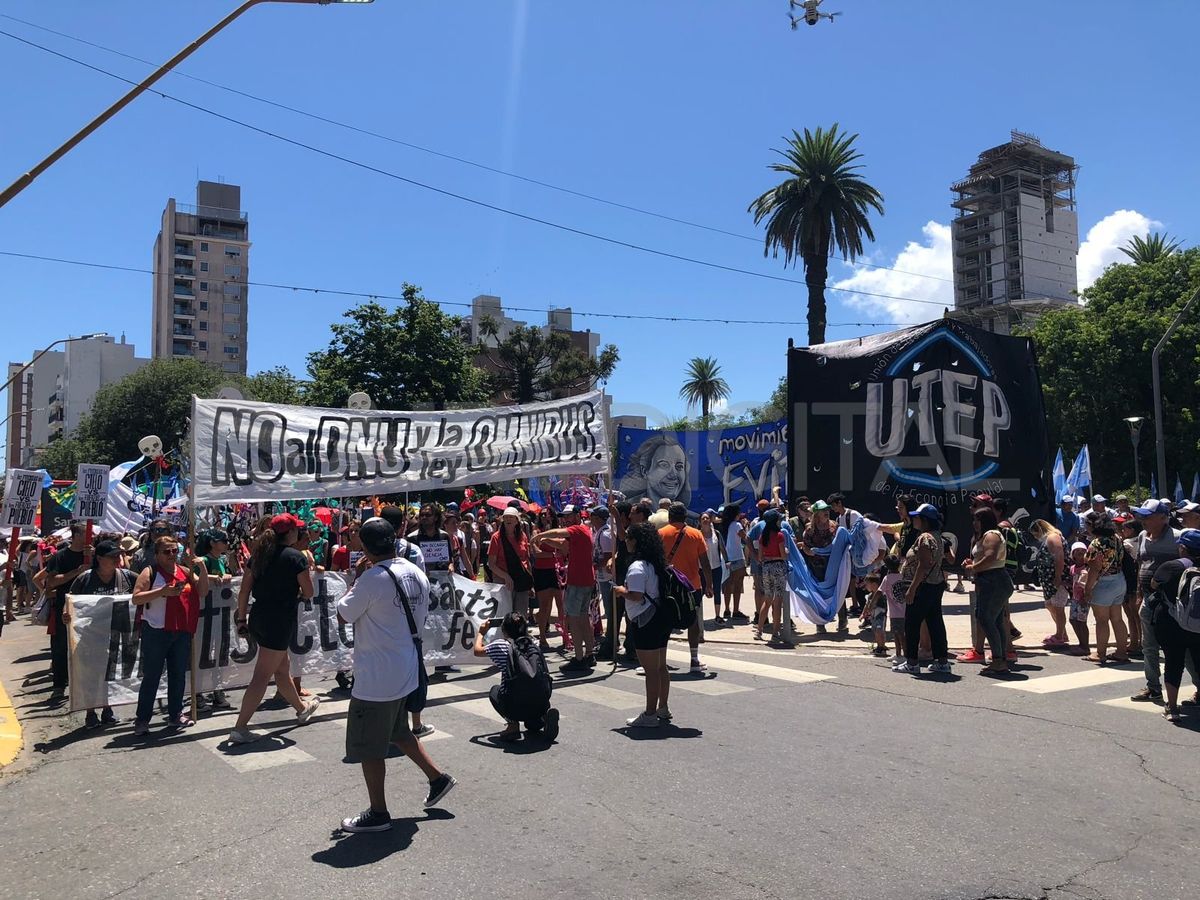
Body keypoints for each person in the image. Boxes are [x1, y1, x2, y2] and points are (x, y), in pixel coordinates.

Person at [336, 517, 456, 832]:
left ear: (364, 546)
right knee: (398, 730)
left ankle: (378, 813)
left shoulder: (372, 578)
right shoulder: (414, 570)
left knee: (368, 746)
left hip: (377, 676)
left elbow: (343, 612)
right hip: (405, 666)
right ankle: (437, 778)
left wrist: (358, 577)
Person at [228, 514, 320, 744]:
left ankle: (302, 709)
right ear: (290, 533)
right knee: (262, 676)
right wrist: (297, 593)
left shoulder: (259, 556)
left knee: (282, 669)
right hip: (278, 621)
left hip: (259, 616)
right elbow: (309, 593)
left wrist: (241, 619)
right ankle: (240, 728)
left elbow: (244, 591)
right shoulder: (296, 558)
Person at [131, 535, 209, 733]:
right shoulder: (150, 572)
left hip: (180, 630)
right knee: (152, 676)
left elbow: (202, 591)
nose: (172, 555)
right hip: (156, 631)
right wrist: (161, 592)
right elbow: (136, 598)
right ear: (157, 554)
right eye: (167, 552)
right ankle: (142, 720)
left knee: (178, 676)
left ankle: (175, 715)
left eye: (175, 551)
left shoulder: (184, 571)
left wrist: (203, 569)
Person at [1129, 499, 1193, 703]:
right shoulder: (1142, 536)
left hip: (1173, 602)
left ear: (1163, 518)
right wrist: (1140, 593)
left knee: (1183, 647)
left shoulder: (1178, 537)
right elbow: (1142, 563)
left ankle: (1198, 688)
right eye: (1141, 515)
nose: (1143, 520)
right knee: (1148, 645)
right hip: (1149, 599)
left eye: (1147, 516)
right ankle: (1153, 687)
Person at [70, 539, 137, 727]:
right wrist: (67, 617)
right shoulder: (85, 579)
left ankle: (107, 709)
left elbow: (145, 591)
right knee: (91, 676)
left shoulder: (127, 577)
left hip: (116, 636)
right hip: (90, 637)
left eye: (119, 555)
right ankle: (91, 713)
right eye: (113, 556)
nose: (118, 559)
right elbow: (70, 605)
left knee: (109, 675)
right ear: (99, 558)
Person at [616, 522, 673, 727]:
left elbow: (636, 595)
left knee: (650, 670)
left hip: (645, 619)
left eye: (629, 537)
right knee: (660, 667)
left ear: (636, 541)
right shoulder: (656, 563)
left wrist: (620, 591)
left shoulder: (638, 566)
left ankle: (649, 714)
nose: (626, 541)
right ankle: (662, 707)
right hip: (661, 618)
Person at [473, 612, 559, 743]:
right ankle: (543, 717)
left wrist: (481, 632)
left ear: (504, 630)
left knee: (495, 691)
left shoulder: (501, 646)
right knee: (532, 726)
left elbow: (477, 651)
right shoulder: (533, 643)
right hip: (540, 702)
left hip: (515, 706)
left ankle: (513, 725)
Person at [531, 505, 597, 673]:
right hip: (586, 580)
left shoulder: (577, 529)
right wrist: (545, 540)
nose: (565, 519)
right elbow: (563, 545)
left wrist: (540, 536)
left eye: (568, 516)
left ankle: (579, 657)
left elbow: (558, 535)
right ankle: (589, 654)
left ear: (577, 516)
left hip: (577, 581)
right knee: (582, 617)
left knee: (573, 620)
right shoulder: (582, 532)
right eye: (564, 516)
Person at [1147, 530, 1200, 722]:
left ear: (1183, 548)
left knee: (1173, 663)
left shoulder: (1171, 567)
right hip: (1198, 625)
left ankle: (1172, 707)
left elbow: (1153, 585)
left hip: (1171, 622)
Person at [894, 504, 951, 676]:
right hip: (935, 585)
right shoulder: (937, 537)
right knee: (935, 624)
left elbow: (924, 564)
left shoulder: (925, 537)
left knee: (912, 624)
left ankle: (912, 662)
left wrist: (912, 588)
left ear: (924, 520)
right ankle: (942, 661)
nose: (914, 519)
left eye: (917, 517)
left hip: (923, 587)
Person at [41, 522, 92, 703]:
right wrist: (76, 572)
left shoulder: (93, 556)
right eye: (87, 533)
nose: (91, 536)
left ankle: (84, 685)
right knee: (61, 648)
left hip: (89, 610)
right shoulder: (60, 557)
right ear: (77, 535)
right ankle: (59, 686)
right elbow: (52, 582)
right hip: (65, 609)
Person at [659, 501, 713, 669]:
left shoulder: (660, 533)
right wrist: (709, 585)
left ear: (669, 517)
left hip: (667, 585)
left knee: (664, 622)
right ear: (685, 517)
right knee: (693, 621)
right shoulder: (696, 534)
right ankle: (694, 659)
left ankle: (661, 660)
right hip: (691, 585)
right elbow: (705, 563)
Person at [964, 506, 1014, 675]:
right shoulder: (987, 535)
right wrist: (973, 564)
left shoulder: (991, 535)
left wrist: (973, 567)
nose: (974, 523)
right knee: (996, 621)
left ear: (985, 520)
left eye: (977, 520)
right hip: (992, 581)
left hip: (994, 580)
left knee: (985, 618)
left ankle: (999, 660)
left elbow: (990, 556)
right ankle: (1000, 659)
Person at [194, 528, 234, 711]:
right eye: (223, 540)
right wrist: (212, 577)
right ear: (212, 543)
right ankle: (198, 693)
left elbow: (228, 575)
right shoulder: (203, 560)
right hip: (204, 615)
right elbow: (193, 577)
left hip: (220, 614)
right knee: (202, 654)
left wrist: (227, 575)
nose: (227, 543)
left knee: (219, 654)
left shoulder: (222, 559)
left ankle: (217, 691)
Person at [1082, 517, 1129, 665]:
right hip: (1119, 579)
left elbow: (1095, 568)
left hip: (1103, 583)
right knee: (1117, 618)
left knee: (1101, 620)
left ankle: (1100, 653)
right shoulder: (1116, 538)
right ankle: (1121, 652)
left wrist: (1087, 589)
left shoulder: (1096, 543)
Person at [617, 433, 691, 509]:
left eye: (679, 466)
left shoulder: (690, 519)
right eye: (664, 465)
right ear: (645, 471)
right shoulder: (628, 512)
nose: (673, 474)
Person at [1028, 519, 1071, 649]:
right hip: (1048, 579)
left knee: (1058, 607)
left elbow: (1059, 557)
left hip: (1056, 577)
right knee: (1050, 604)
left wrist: (1058, 576)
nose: (1036, 537)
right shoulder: (1049, 538)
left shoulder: (1053, 537)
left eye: (1036, 534)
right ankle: (1062, 632)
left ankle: (1059, 635)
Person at [751, 509, 790, 648]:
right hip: (778, 567)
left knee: (767, 599)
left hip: (766, 568)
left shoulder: (763, 536)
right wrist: (785, 551)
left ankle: (759, 631)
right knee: (778, 600)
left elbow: (760, 557)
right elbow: (783, 556)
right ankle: (775, 633)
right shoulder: (780, 535)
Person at [488, 507, 534, 616]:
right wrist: (506, 576)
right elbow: (491, 564)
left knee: (520, 615)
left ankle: (520, 633)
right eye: (506, 517)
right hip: (504, 582)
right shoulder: (496, 537)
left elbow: (526, 560)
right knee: (505, 614)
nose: (508, 519)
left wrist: (530, 583)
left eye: (511, 517)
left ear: (517, 520)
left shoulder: (522, 536)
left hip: (521, 581)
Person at [530, 510, 565, 652]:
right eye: (543, 514)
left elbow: (564, 549)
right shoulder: (536, 531)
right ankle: (543, 637)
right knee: (544, 607)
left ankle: (565, 637)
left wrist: (551, 553)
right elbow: (536, 553)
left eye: (549, 514)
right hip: (542, 572)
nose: (546, 516)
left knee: (561, 605)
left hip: (558, 570)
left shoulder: (559, 531)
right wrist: (553, 554)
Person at [589, 506, 616, 658]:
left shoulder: (605, 534)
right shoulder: (600, 532)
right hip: (602, 577)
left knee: (610, 607)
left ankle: (612, 639)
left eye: (593, 516)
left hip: (607, 577)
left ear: (598, 518)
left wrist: (592, 566)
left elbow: (607, 557)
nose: (591, 518)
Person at [1117, 516, 1143, 658]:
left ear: (1132, 530)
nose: (1122, 531)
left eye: (1125, 528)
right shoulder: (1142, 541)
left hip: (1129, 580)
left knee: (1132, 614)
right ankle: (1136, 641)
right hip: (1135, 580)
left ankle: (1137, 642)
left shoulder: (1127, 543)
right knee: (1134, 615)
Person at [717, 503, 747, 621]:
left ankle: (727, 609)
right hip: (738, 557)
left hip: (727, 557)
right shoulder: (737, 525)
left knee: (728, 584)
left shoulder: (724, 525)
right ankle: (735, 610)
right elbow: (745, 537)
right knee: (738, 584)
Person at [700, 510, 724, 624]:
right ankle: (698, 615)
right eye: (703, 518)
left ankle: (718, 615)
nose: (705, 520)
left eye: (707, 518)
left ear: (710, 520)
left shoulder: (717, 534)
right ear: (700, 521)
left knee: (717, 590)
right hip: (701, 568)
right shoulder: (697, 534)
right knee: (700, 591)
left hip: (716, 566)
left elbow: (722, 548)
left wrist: (728, 561)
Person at [881, 556, 905, 663]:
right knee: (900, 634)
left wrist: (870, 605)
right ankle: (899, 653)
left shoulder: (887, 579)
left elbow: (878, 592)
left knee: (898, 635)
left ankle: (904, 655)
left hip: (895, 613)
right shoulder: (903, 576)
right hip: (905, 611)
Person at [861, 571, 888, 656]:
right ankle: (879, 646)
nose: (866, 587)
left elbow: (884, 606)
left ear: (874, 584)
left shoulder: (881, 594)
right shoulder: (870, 595)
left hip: (880, 616)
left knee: (880, 631)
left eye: (867, 584)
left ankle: (882, 646)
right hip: (874, 616)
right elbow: (867, 605)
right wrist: (863, 614)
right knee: (876, 631)